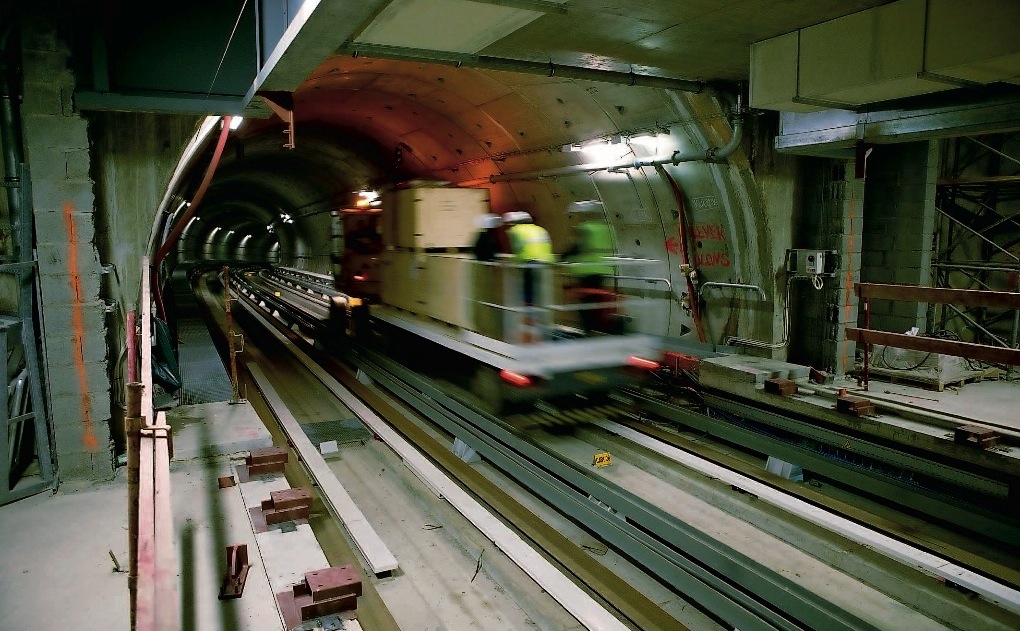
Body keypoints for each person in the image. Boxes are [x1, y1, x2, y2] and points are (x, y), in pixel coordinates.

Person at [504, 211, 555, 306]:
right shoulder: (540, 229)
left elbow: (517, 249)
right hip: (547, 262)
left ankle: (528, 315)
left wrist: (511, 262)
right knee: (542, 292)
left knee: (527, 290)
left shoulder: (515, 230)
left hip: (530, 262)